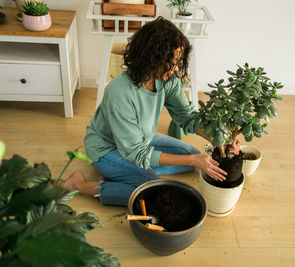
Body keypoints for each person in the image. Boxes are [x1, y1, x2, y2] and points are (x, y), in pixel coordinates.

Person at [61, 17, 239, 206]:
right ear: (153, 57)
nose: (177, 68)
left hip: (140, 140)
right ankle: (78, 184)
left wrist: (219, 139)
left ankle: (131, 175)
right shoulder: (119, 91)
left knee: (191, 154)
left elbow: (187, 117)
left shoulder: (167, 81)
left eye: (179, 61)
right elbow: (136, 152)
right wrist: (193, 161)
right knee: (155, 191)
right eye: (172, 61)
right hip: (106, 149)